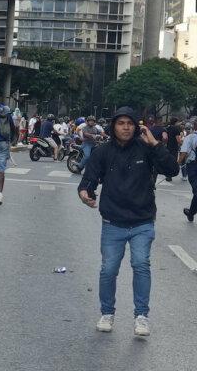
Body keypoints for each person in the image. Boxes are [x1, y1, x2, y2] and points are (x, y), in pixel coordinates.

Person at [78, 106, 178, 337]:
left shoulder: (146, 149)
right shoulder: (102, 152)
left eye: (130, 123)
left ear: (137, 126)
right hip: (113, 221)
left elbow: (172, 168)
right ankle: (107, 313)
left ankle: (141, 316)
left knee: (141, 265)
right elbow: (88, 180)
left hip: (142, 221)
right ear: (114, 126)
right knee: (108, 269)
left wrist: (155, 144)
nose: (125, 127)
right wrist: (85, 193)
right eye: (121, 123)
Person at [180, 126, 197, 222]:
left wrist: (176, 164)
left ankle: (191, 212)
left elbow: (184, 152)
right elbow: (183, 152)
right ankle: (191, 212)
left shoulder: (189, 138)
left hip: (193, 166)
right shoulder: (190, 137)